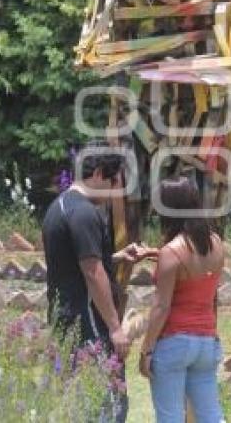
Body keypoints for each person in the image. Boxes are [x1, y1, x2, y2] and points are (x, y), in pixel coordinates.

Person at [42, 140, 155, 422]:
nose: (115, 189)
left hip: (66, 315)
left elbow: (76, 263)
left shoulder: (61, 206)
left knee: (79, 398)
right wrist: (116, 329)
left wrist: (115, 257)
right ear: (98, 174)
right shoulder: (84, 214)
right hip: (88, 318)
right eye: (114, 181)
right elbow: (93, 273)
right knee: (109, 403)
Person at [139, 176, 225, 423]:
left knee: (170, 417)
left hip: (174, 343)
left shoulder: (171, 253)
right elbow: (196, 267)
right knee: (211, 415)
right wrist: (156, 254)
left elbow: (161, 307)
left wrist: (146, 351)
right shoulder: (216, 243)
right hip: (207, 342)